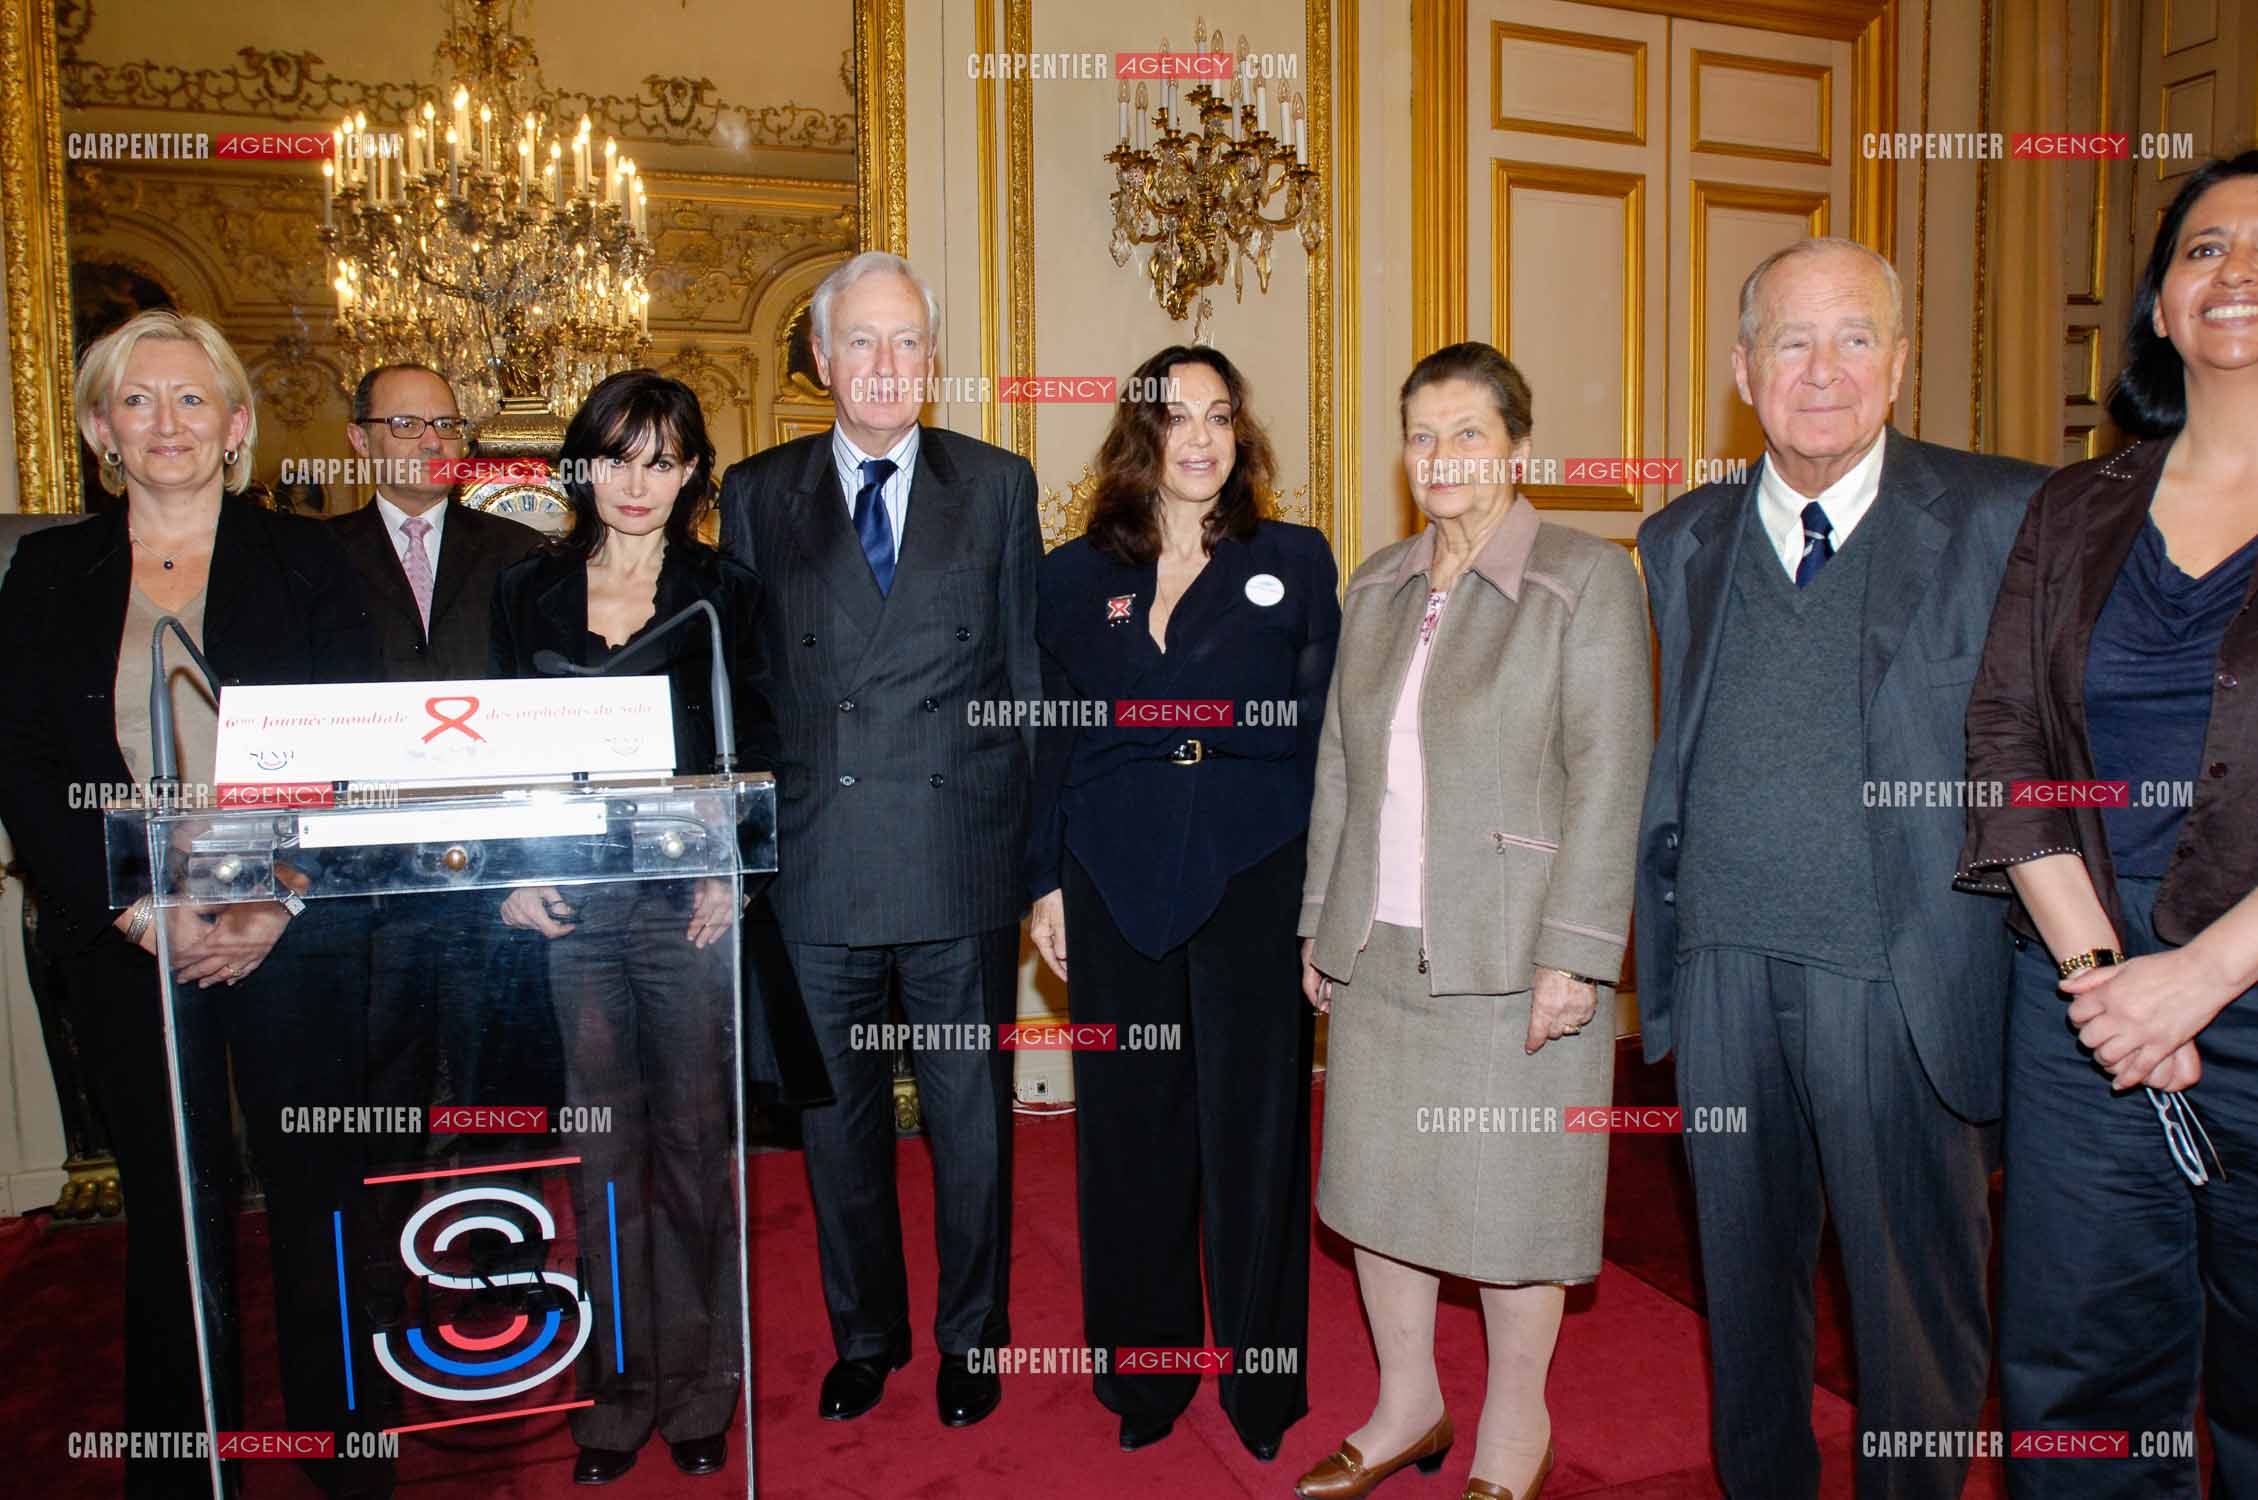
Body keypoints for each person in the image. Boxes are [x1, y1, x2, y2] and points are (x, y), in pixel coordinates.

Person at [1632, 236, 2049, 1498]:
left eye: (1854, 337)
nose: (1823, 370)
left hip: (1901, 974)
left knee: (1910, 1311)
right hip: (1717, 970)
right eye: (1792, 342)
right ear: (1741, 371)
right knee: (1744, 1296)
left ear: (1901, 362)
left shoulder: (2004, 514)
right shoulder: (1677, 538)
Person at [0, 309, 385, 1497]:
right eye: (136, 400)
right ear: (100, 429)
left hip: (291, 930)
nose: (164, 422)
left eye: (189, 399)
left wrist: (276, 898)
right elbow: (21, 760)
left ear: (237, 424)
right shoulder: (48, 570)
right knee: (175, 1195)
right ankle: (181, 1453)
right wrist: (138, 909)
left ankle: (340, 1445)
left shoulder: (312, 560)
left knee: (319, 1186)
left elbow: (355, 745)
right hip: (129, 937)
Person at [1294, 342, 1650, 1500]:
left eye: (1465, 433)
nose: (1439, 457)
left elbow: (1610, 774)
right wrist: (1318, 921)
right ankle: (1406, 1406)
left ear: (1516, 447)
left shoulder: (1583, 578)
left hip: (1512, 957)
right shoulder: (1377, 582)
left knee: (1510, 1210)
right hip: (1380, 942)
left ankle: (1513, 1427)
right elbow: (1341, 771)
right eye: (1419, 434)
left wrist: (1578, 955)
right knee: (1377, 1196)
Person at [1959, 150, 2258, 1497]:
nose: (2233, 271)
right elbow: (2006, 746)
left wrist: (2195, 981)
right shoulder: (2073, 506)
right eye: (2200, 250)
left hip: (2231, 988)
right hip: (2088, 1013)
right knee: (2079, 1388)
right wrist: (2098, 982)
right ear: (2154, 306)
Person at [717, 250, 1040, 1429]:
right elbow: (744, 691)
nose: (885, 364)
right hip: (816, 863)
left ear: (934, 359)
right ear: (819, 358)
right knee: (835, 1126)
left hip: (959, 859)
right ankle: (866, 1336)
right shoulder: (756, 493)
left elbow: (1022, 680)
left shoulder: (998, 485)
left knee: (970, 1125)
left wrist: (1038, 869)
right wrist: (742, 855)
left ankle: (971, 1334)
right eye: (861, 340)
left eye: (906, 340)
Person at [1026, 345, 1339, 1461]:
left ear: (1240, 435)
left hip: (1254, 870)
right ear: (1138, 438)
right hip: (1111, 873)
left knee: (1256, 1138)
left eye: (1218, 416)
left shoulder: (1292, 561)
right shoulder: (1069, 577)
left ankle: (1260, 1385)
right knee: (1127, 1134)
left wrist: (1324, 899)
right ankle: (1144, 1379)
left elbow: (1325, 744)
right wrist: (1042, 883)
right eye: (1175, 419)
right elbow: (1045, 742)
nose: (1198, 437)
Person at [488, 369, 772, 1486]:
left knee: (697, 1152)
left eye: (661, 458)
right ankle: (615, 1398)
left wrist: (735, 874)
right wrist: (510, 873)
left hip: (687, 904)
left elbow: (764, 739)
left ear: (692, 471)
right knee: (605, 1157)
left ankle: (702, 1390)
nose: (636, 481)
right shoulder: (525, 593)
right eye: (615, 456)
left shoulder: (726, 590)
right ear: (581, 465)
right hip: (568, 909)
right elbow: (492, 749)